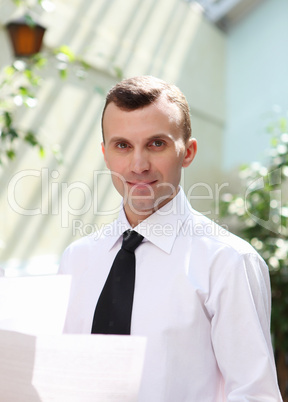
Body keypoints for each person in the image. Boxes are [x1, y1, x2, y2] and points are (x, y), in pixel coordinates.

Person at [59, 76, 283, 401]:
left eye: (156, 144)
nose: (138, 165)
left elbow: (254, 395)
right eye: (123, 145)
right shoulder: (76, 258)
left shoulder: (229, 262)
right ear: (106, 154)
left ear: (187, 152)